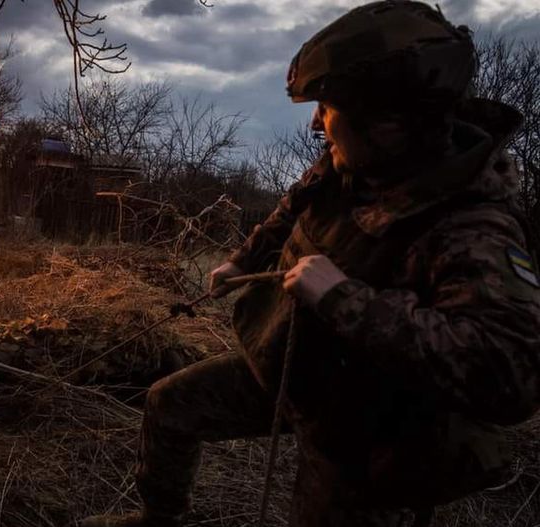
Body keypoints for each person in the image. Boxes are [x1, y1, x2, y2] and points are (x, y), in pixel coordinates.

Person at [81, 2, 540, 526]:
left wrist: (343, 298)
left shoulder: (474, 227)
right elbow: (290, 210)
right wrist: (242, 260)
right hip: (294, 371)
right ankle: (158, 518)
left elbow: (508, 376)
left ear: (386, 121)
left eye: (328, 107)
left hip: (368, 432)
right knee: (171, 404)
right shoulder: (354, 165)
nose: (318, 124)